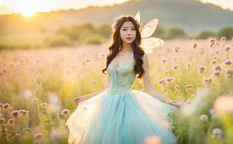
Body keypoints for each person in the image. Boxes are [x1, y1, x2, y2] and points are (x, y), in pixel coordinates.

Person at [66, 12, 179, 144]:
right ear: (118, 32)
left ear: (137, 32)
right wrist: (87, 97)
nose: (129, 33)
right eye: (124, 29)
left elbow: (148, 88)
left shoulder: (140, 55)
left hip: (127, 104)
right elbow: (108, 88)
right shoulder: (111, 55)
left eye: (132, 29)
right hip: (106, 105)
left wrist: (168, 101)